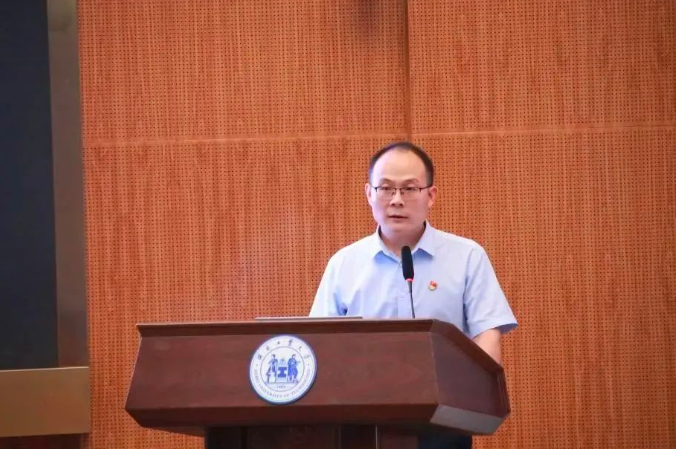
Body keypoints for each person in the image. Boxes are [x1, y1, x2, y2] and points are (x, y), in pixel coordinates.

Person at [309, 141, 517, 449]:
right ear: (369, 194)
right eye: (385, 188)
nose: (396, 200)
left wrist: (468, 395)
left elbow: (488, 334)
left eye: (409, 189)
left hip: (443, 422)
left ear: (430, 195)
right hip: (361, 424)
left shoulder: (466, 256)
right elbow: (319, 343)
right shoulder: (344, 264)